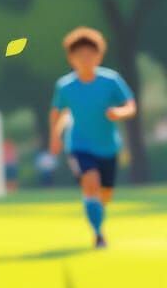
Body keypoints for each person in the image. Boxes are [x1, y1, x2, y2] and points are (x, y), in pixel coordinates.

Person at [49, 27, 136, 248]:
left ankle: (96, 213)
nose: (85, 59)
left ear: (99, 55)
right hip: (79, 145)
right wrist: (55, 137)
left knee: (104, 195)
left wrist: (120, 113)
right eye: (80, 55)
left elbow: (130, 105)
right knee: (91, 183)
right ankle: (98, 235)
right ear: (71, 58)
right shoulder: (65, 86)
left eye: (90, 54)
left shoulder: (111, 80)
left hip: (108, 146)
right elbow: (58, 112)